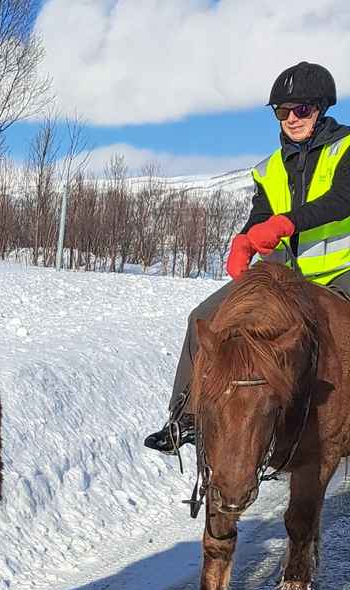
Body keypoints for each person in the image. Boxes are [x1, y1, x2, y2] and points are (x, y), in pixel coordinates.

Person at [147, 62, 350, 453]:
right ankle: (186, 417)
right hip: (289, 276)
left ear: (321, 108)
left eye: (301, 110)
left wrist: (285, 223)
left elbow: (343, 199)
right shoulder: (269, 168)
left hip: (344, 271)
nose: (291, 118)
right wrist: (243, 241)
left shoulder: (348, 148)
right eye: (282, 111)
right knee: (204, 318)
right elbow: (260, 217)